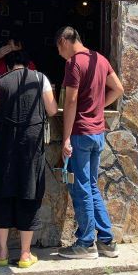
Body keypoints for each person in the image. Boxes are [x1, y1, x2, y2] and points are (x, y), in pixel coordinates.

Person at [0, 50, 57, 267]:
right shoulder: (40, 78)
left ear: (8, 66)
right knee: (29, 192)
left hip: (6, 144)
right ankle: (25, 254)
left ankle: (2, 253)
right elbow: (52, 110)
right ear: (28, 64)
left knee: (2, 192)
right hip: (31, 146)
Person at [55, 26, 124, 260]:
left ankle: (86, 243)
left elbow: (71, 101)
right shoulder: (100, 59)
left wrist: (66, 138)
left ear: (64, 41)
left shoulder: (74, 63)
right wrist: (98, 107)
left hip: (81, 134)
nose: (60, 54)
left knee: (81, 187)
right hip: (97, 134)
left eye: (58, 49)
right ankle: (107, 241)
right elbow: (118, 88)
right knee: (91, 186)